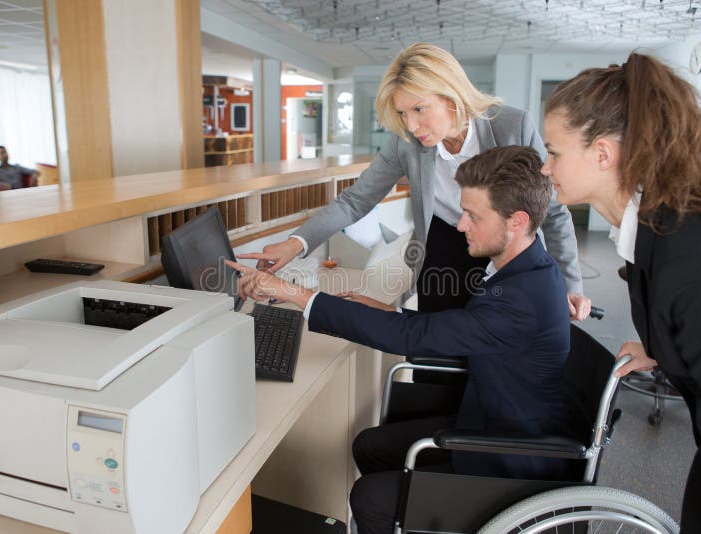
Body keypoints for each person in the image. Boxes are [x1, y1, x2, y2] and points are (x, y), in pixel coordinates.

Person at [227, 146, 573, 534]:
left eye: (473, 215)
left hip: (507, 459)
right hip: (489, 415)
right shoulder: (522, 269)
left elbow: (418, 336)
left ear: (517, 221)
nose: (460, 225)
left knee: (368, 498)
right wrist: (384, 309)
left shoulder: (521, 297)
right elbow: (455, 328)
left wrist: (293, 293)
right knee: (369, 446)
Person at [542, 52, 701, 533]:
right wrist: (662, 348)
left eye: (554, 152)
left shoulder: (694, 260)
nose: (546, 167)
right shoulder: (657, 235)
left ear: (602, 153)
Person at [240, 43, 590, 321]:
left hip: (509, 240)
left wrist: (569, 284)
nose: (411, 125)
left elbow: (554, 213)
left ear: (451, 97)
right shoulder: (406, 143)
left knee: (507, 336)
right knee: (434, 336)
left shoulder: (512, 126)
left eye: (419, 109)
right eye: (403, 114)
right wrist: (296, 243)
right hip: (446, 241)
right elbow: (354, 201)